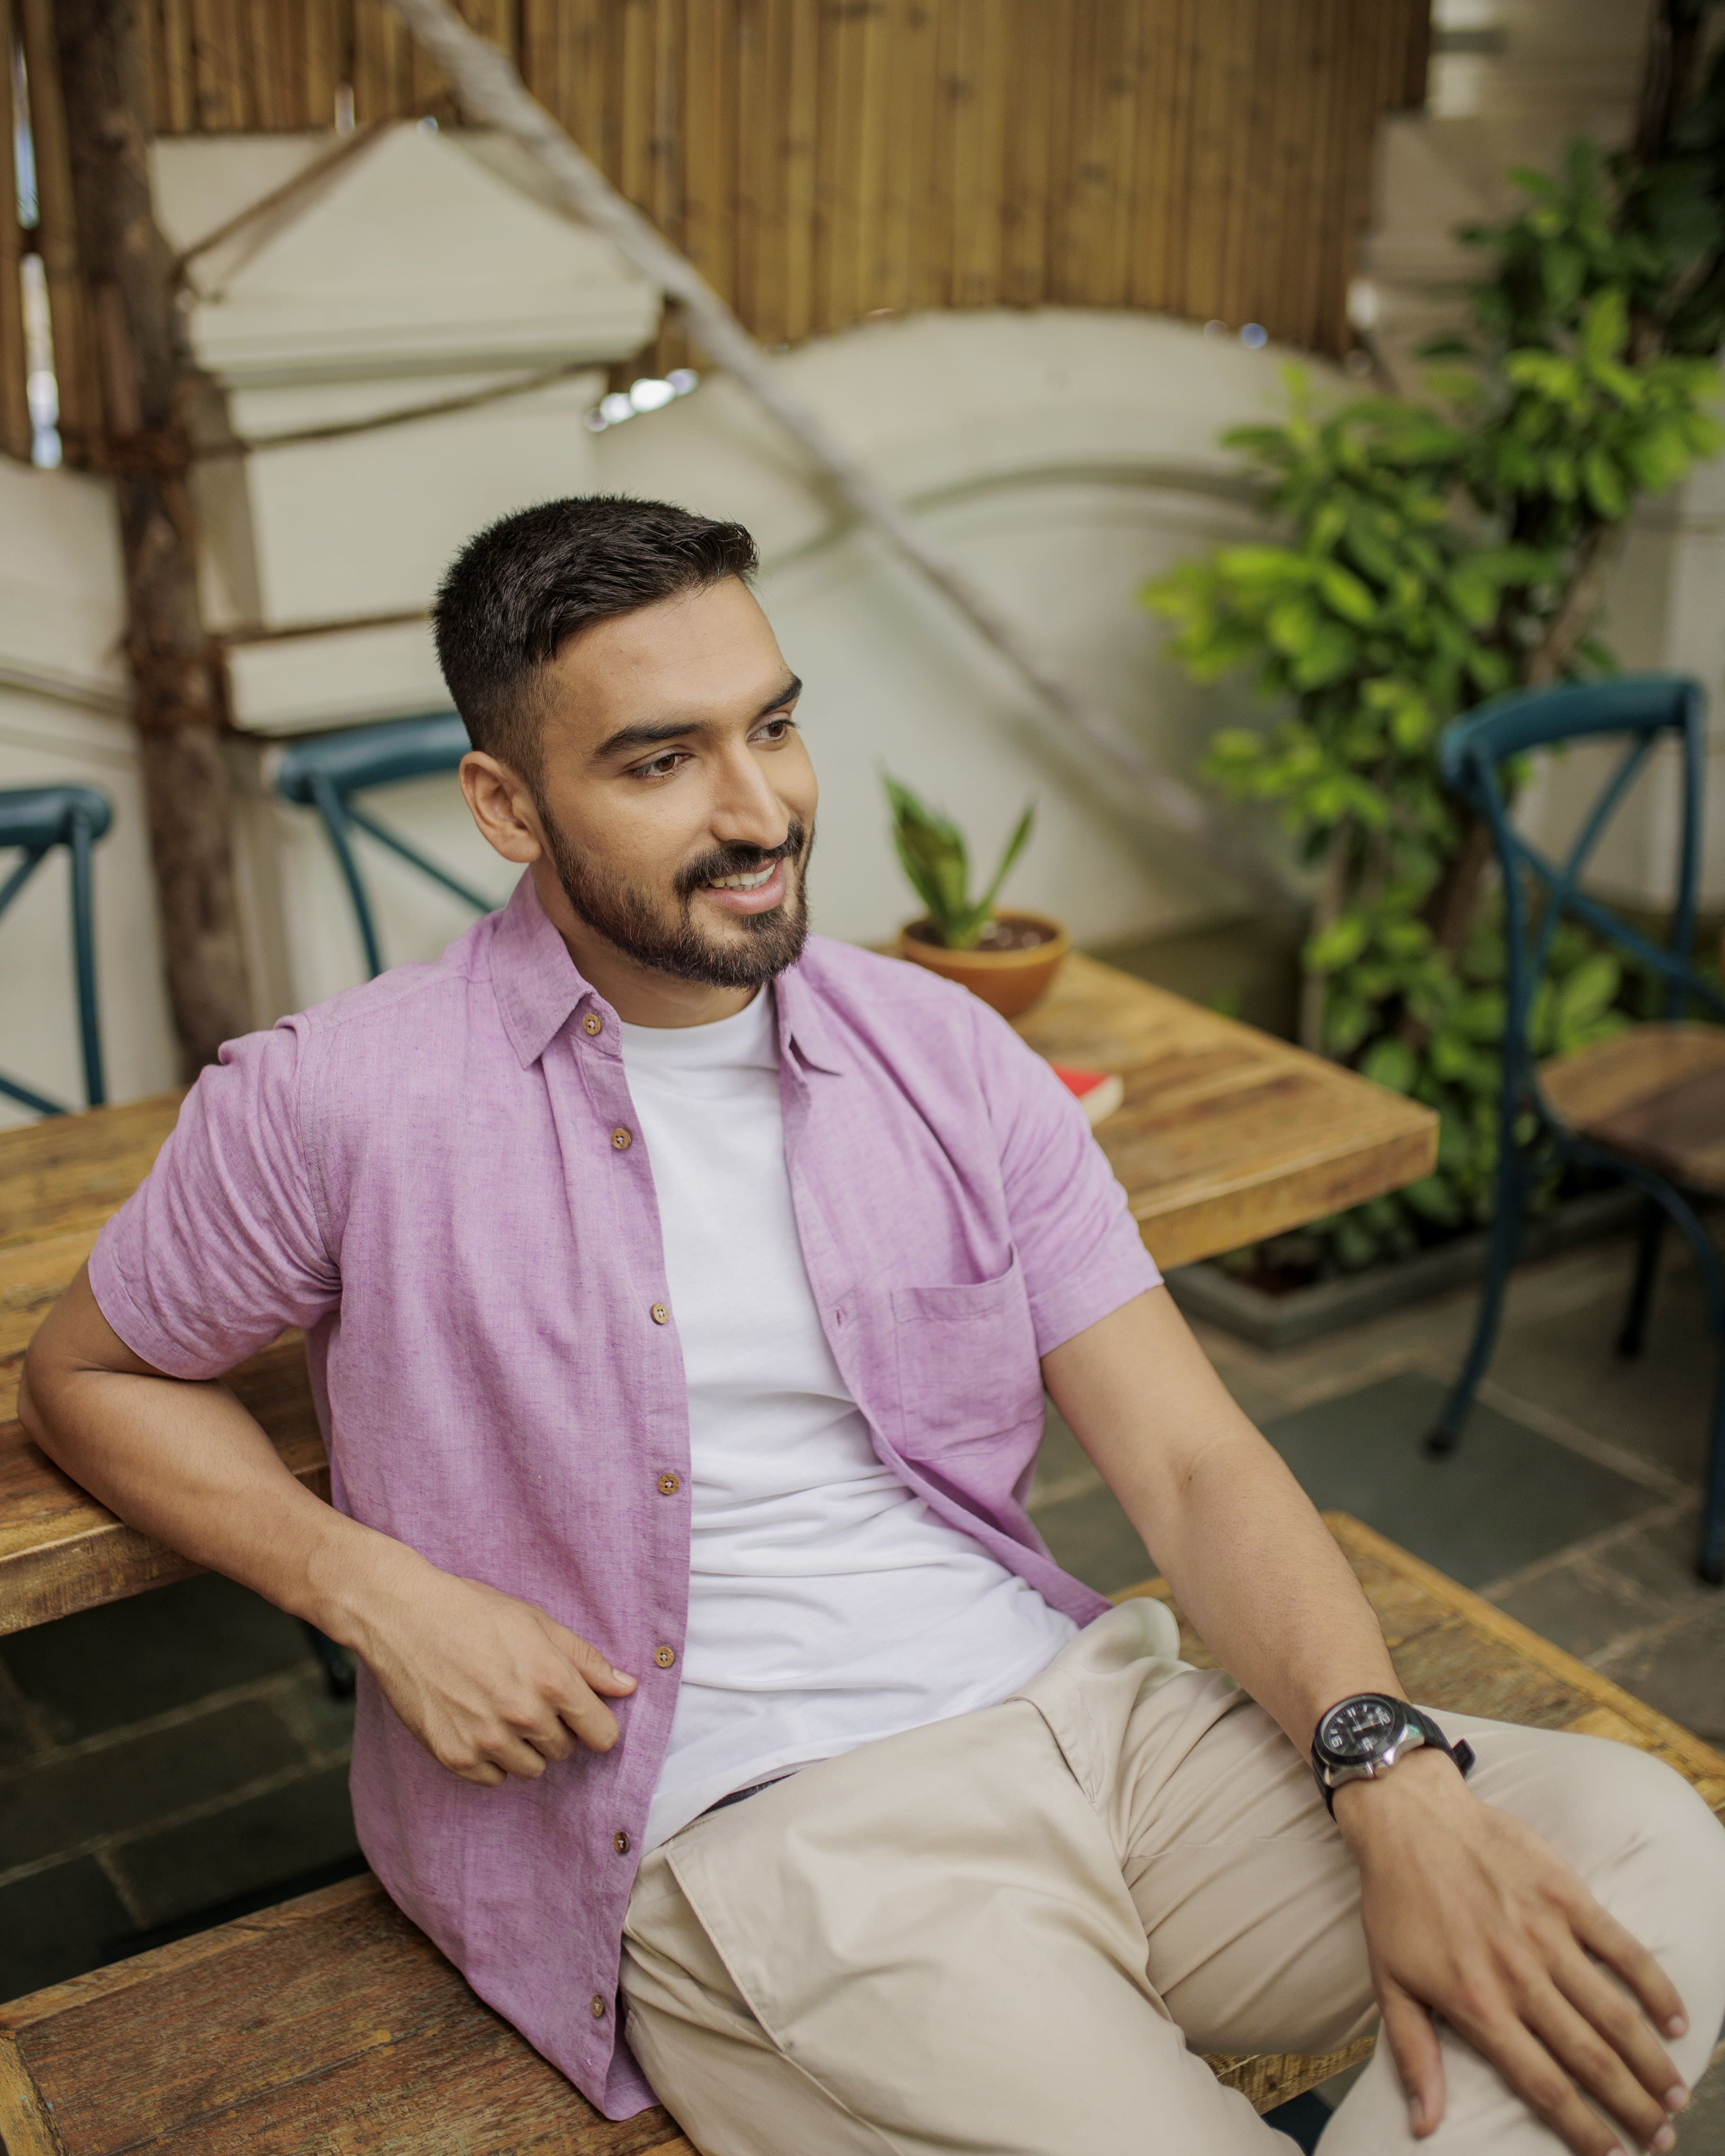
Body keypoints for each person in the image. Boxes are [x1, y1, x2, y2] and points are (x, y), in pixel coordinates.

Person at [20, 496, 1724, 2156]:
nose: (760, 809)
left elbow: (1193, 1464)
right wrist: (373, 1594)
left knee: (1645, 1854)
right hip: (765, 1838)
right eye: (660, 758)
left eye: (772, 726)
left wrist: (1388, 1777)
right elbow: (84, 1375)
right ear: (506, 804)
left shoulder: (945, 1053)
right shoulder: (339, 1100)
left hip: (1090, 1723)